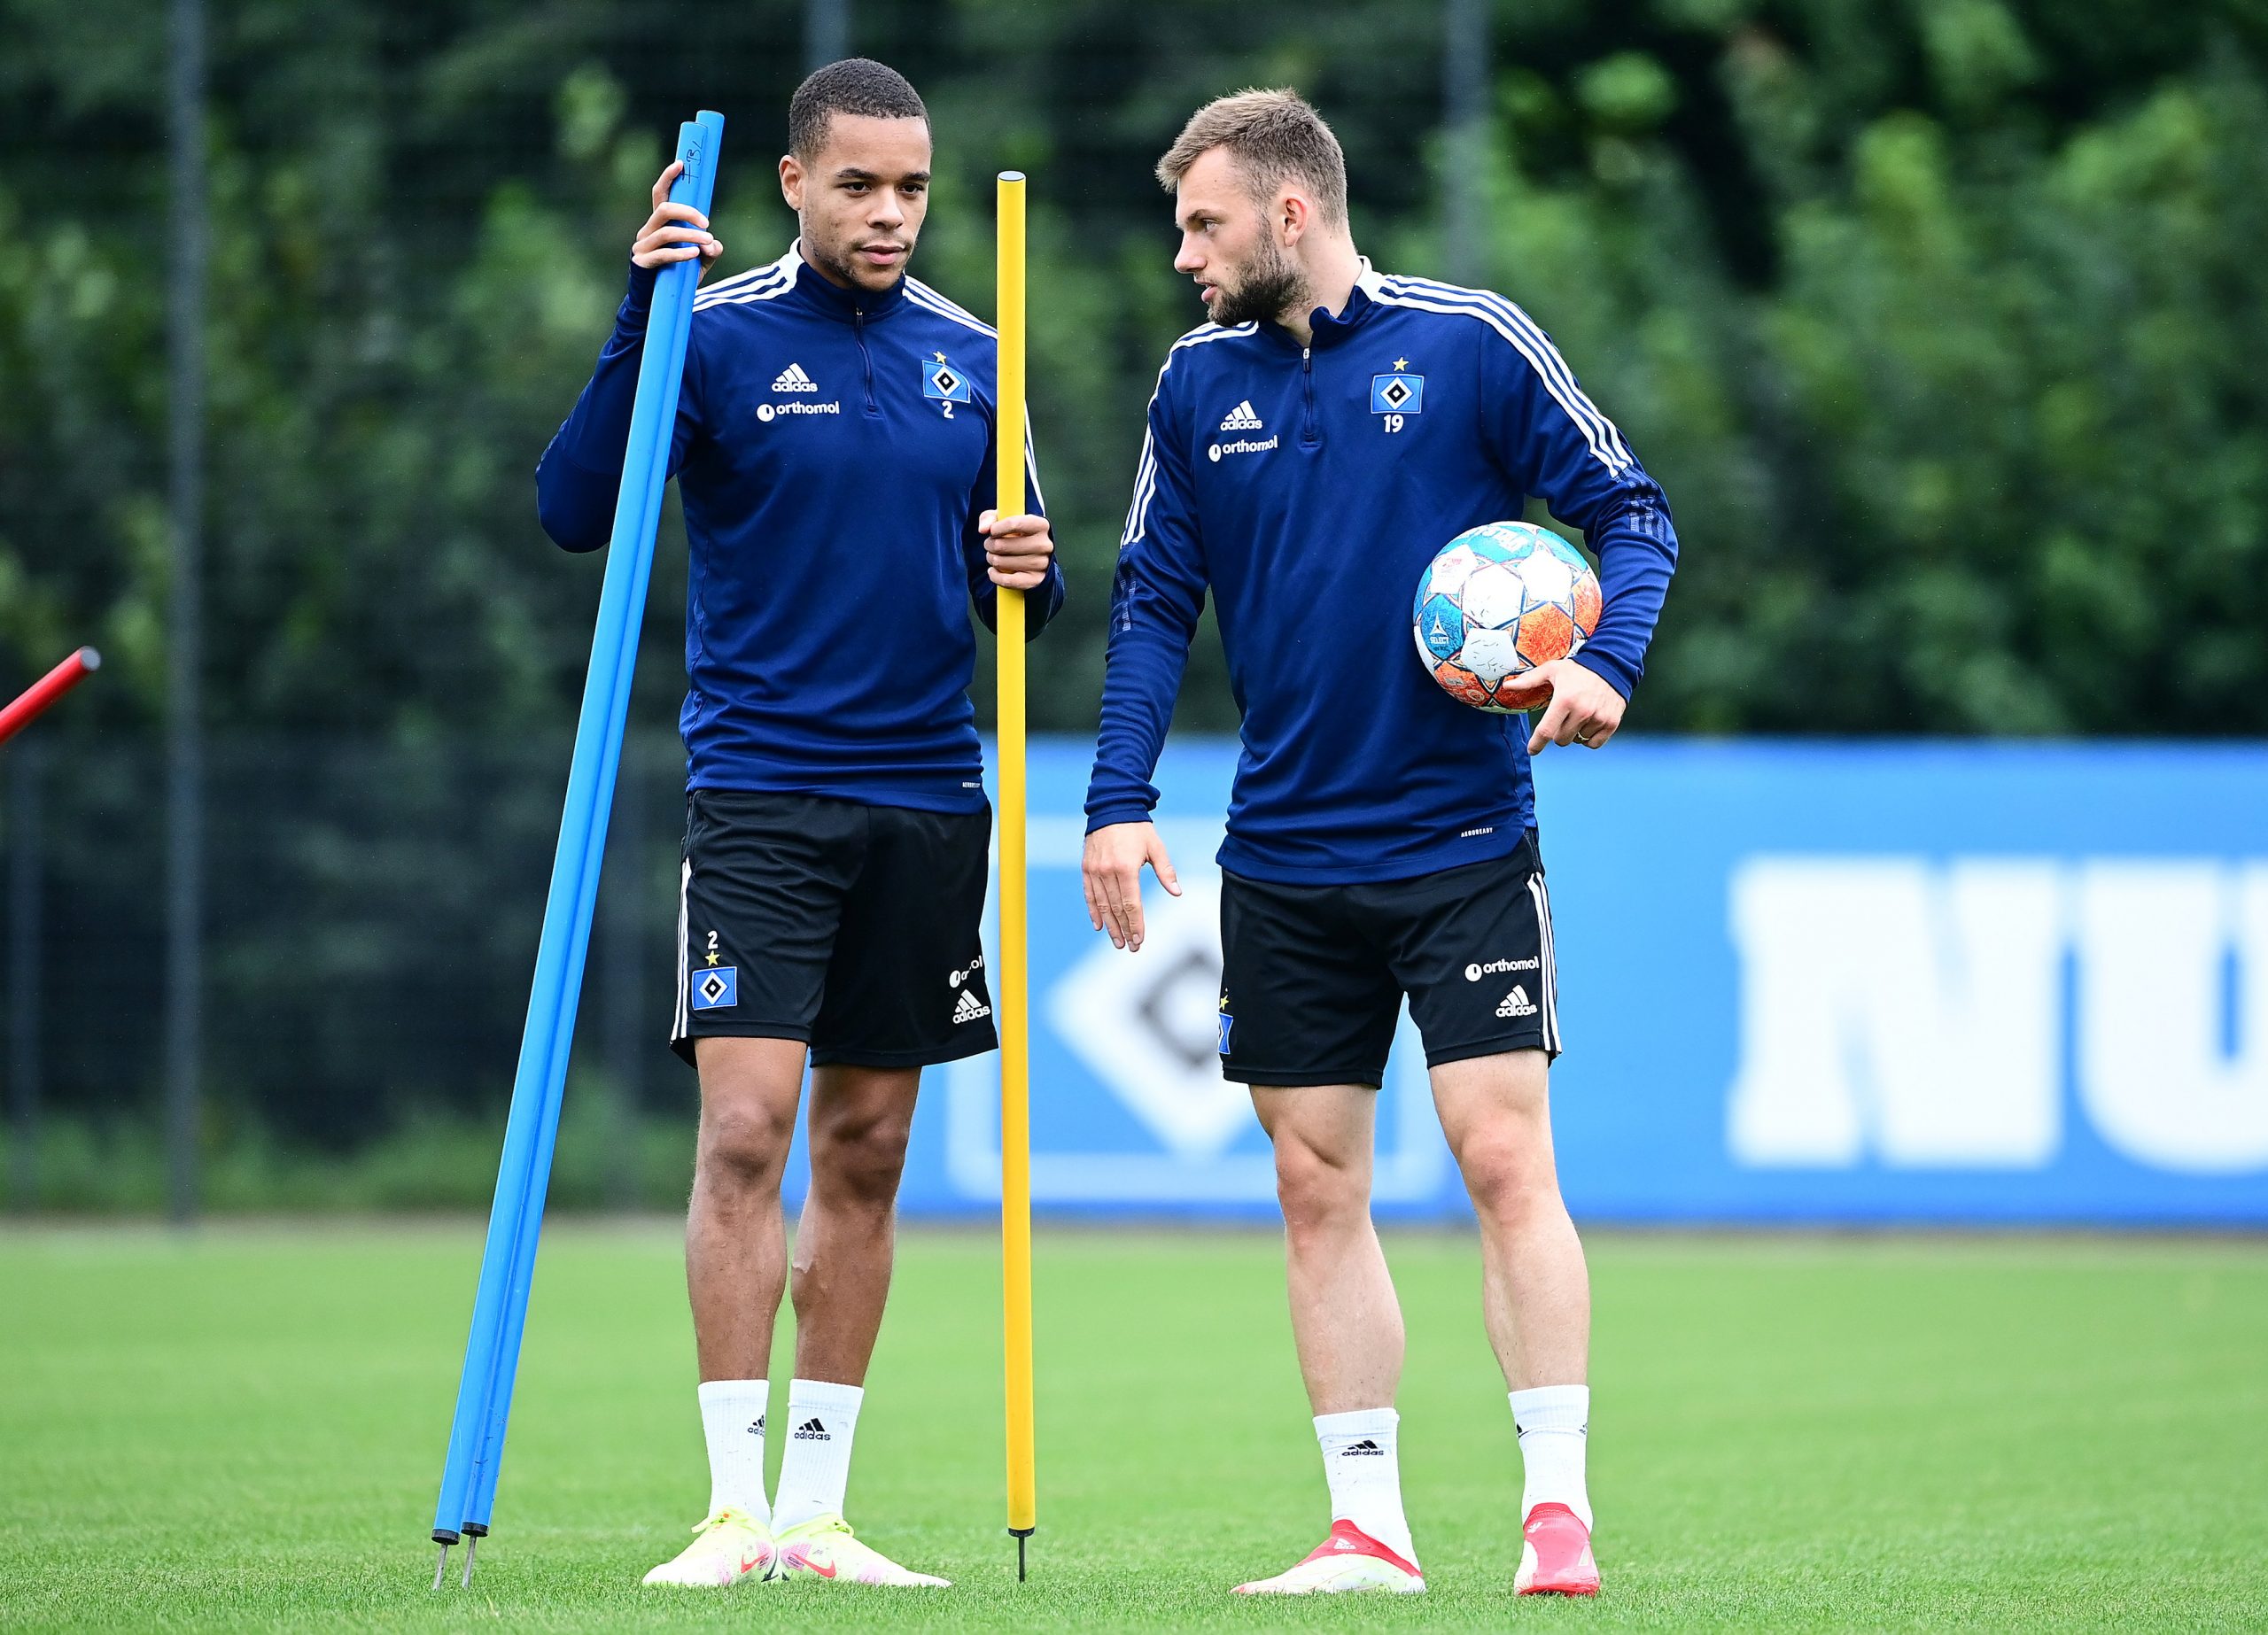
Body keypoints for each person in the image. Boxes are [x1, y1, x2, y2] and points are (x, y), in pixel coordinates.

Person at [1081, 89, 1679, 1598]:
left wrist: (1607, 665)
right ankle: (1369, 1530)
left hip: (1464, 837)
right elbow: (1155, 601)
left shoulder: (1471, 341)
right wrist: (1117, 796)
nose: (1184, 257)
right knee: (1313, 1184)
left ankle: (1557, 1513)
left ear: (1292, 214)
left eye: (1203, 224)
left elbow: (1632, 511)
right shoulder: (1191, 382)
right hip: (1282, 856)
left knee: (1499, 1154)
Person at [535, 58, 1062, 1589]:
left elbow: (1025, 601)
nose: (891, 213)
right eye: (860, 185)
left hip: (926, 798)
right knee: (747, 1126)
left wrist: (1030, 568)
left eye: (912, 186)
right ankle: (729, 1506)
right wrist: (642, 310)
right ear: (794, 182)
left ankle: (820, 1513)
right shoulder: (712, 331)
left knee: (870, 1143)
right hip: (760, 791)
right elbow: (576, 508)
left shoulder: (978, 351)